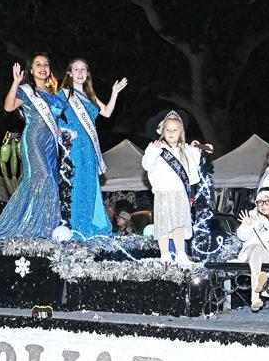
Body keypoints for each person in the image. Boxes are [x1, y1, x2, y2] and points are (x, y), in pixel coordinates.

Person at [0, 54, 64, 258]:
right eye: (38, 65)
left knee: (50, 182)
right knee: (41, 179)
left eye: (46, 65)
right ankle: (27, 226)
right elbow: (8, 106)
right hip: (34, 142)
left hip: (51, 146)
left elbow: (58, 121)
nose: (43, 68)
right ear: (31, 70)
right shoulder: (27, 91)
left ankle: (45, 226)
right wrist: (16, 82)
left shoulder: (55, 94)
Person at [57, 59, 127, 238]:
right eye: (76, 69)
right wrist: (65, 131)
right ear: (69, 73)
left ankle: (89, 224)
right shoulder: (63, 94)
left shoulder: (90, 96)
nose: (80, 72)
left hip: (90, 148)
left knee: (90, 185)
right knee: (77, 183)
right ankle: (76, 225)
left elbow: (107, 113)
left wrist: (114, 93)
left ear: (87, 73)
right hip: (74, 146)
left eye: (83, 69)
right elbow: (52, 118)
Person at [141, 110, 212, 265]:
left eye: (175, 130)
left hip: (180, 194)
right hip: (163, 193)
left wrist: (199, 149)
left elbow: (195, 165)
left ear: (181, 132)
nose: (171, 132)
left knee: (179, 224)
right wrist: (153, 151)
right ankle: (165, 254)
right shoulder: (155, 148)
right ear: (161, 131)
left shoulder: (185, 149)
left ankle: (181, 253)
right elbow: (147, 164)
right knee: (164, 224)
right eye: (168, 129)